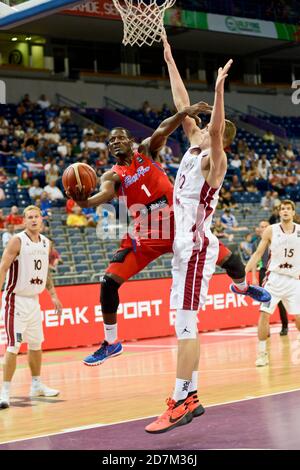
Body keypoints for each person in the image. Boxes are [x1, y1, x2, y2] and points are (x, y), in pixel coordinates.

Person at [145, 39, 270, 434]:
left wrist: (218, 90)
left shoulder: (216, 159)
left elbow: (215, 127)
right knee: (184, 323)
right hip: (190, 246)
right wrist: (169, 62)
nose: (197, 127)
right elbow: (183, 106)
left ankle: (180, 399)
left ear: (220, 138)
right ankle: (193, 394)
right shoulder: (193, 146)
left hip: (194, 248)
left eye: (207, 129)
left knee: (185, 326)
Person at [0, 205, 63, 409]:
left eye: (36, 216)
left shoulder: (46, 243)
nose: (34, 220)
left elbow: (45, 272)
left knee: (36, 344)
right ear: (24, 221)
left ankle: (36, 385)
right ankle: (5, 392)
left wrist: (53, 295)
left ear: (41, 220)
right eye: (30, 217)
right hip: (15, 299)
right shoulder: (17, 240)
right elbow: (3, 268)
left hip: (34, 301)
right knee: (13, 346)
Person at [246, 200, 300, 367]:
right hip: (274, 279)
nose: (285, 211)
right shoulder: (271, 230)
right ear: (279, 212)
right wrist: (244, 272)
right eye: (282, 209)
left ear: (293, 212)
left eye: (288, 209)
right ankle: (262, 353)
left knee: (298, 317)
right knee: (264, 314)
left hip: (293, 280)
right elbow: (258, 253)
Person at [252, 220, 288, 336]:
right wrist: (253, 277)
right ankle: (265, 330)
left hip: (277, 272)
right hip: (263, 272)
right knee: (264, 302)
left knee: (280, 302)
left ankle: (285, 326)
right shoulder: (256, 242)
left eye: (265, 226)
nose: (263, 228)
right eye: (261, 226)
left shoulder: (278, 240)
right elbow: (254, 260)